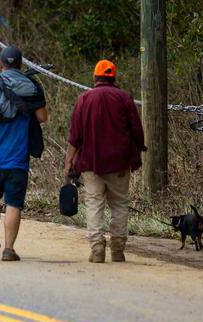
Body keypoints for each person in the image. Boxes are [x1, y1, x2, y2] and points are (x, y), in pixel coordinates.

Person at [0, 45, 48, 262]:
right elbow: (42, 117)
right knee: (13, 203)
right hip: (17, 159)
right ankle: (9, 249)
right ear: (21, 65)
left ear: (0, 64)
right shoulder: (31, 85)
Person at [63, 59, 145, 263]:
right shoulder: (125, 98)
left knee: (94, 203)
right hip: (119, 163)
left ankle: (97, 247)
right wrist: (138, 152)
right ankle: (117, 249)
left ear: (94, 77)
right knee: (119, 204)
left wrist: (69, 161)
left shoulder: (84, 99)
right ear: (113, 77)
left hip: (91, 163)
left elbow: (75, 136)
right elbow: (137, 131)